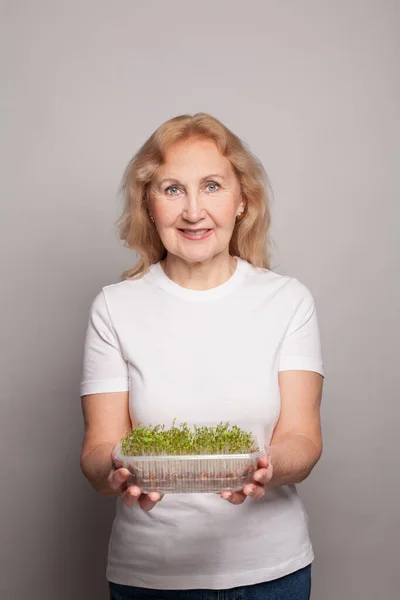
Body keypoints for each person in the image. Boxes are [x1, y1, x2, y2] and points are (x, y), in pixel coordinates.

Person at [80, 113, 324, 600]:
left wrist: (268, 464)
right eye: (172, 190)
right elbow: (96, 453)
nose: (193, 211)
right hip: (149, 578)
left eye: (212, 186)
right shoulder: (114, 307)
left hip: (270, 575)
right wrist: (117, 467)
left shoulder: (288, 301)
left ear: (241, 201)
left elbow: (303, 438)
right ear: (149, 206)